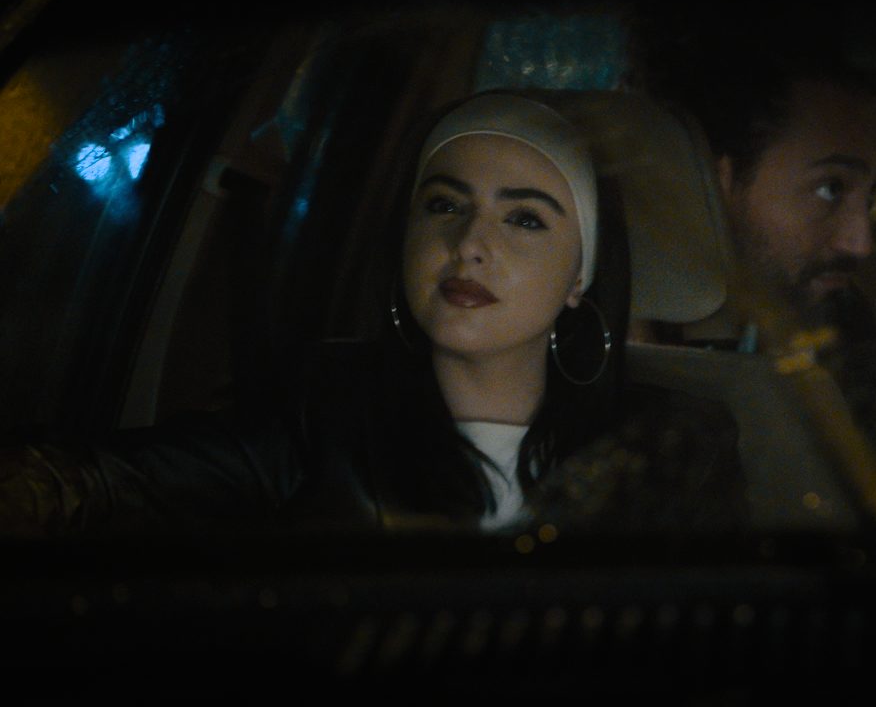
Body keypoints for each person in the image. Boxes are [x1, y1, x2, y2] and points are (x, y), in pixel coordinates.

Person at [0, 92, 744, 534]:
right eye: (444, 205)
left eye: (524, 219)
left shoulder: (675, 444)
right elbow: (105, 483)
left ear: (580, 276)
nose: (469, 243)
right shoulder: (324, 408)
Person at [645, 31, 876, 431]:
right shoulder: (596, 357)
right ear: (711, 182)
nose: (861, 244)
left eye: (873, 194)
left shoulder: (842, 321)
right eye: (830, 189)